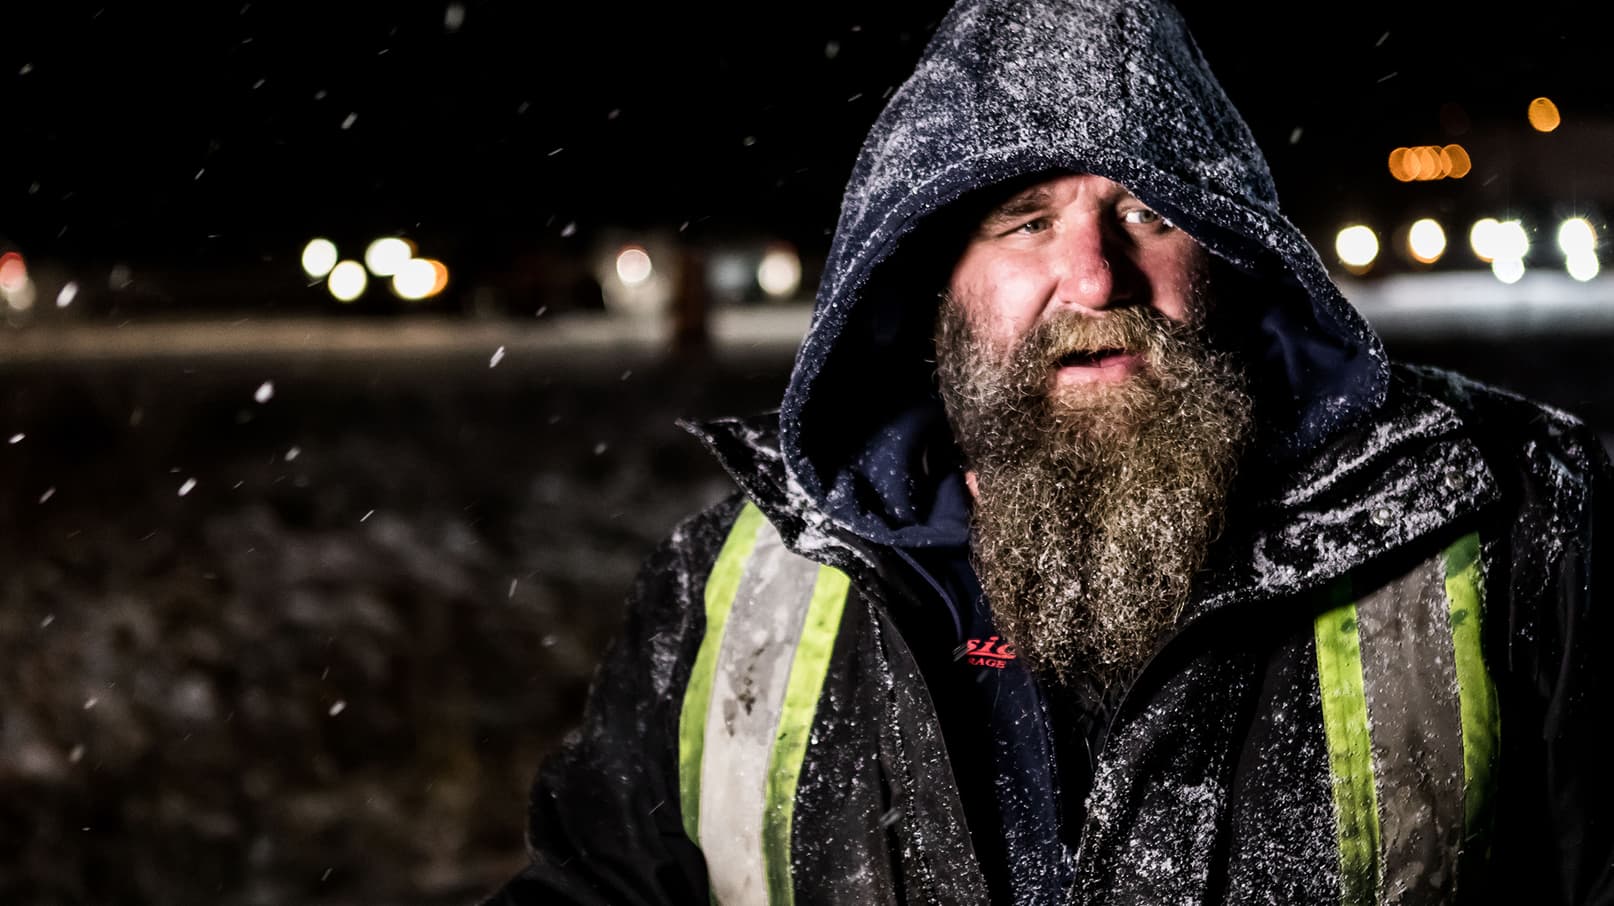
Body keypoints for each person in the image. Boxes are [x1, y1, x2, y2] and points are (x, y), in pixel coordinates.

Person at [485, 0, 1613, 902]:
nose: (1095, 278)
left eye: (1149, 214)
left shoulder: (1514, 529)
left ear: (1232, 253)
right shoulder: (732, 597)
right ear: (930, 282)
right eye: (1027, 221)